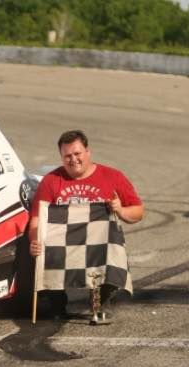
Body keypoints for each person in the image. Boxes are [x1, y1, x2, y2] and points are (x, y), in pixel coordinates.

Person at [28, 130, 144, 321]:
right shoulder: (51, 181)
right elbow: (37, 219)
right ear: (61, 157)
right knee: (40, 246)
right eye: (67, 156)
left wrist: (120, 210)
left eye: (77, 154)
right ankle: (57, 303)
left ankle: (101, 299)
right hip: (63, 246)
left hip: (97, 246)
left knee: (114, 245)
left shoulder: (112, 176)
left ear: (88, 152)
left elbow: (138, 212)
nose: (73, 160)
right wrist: (35, 240)